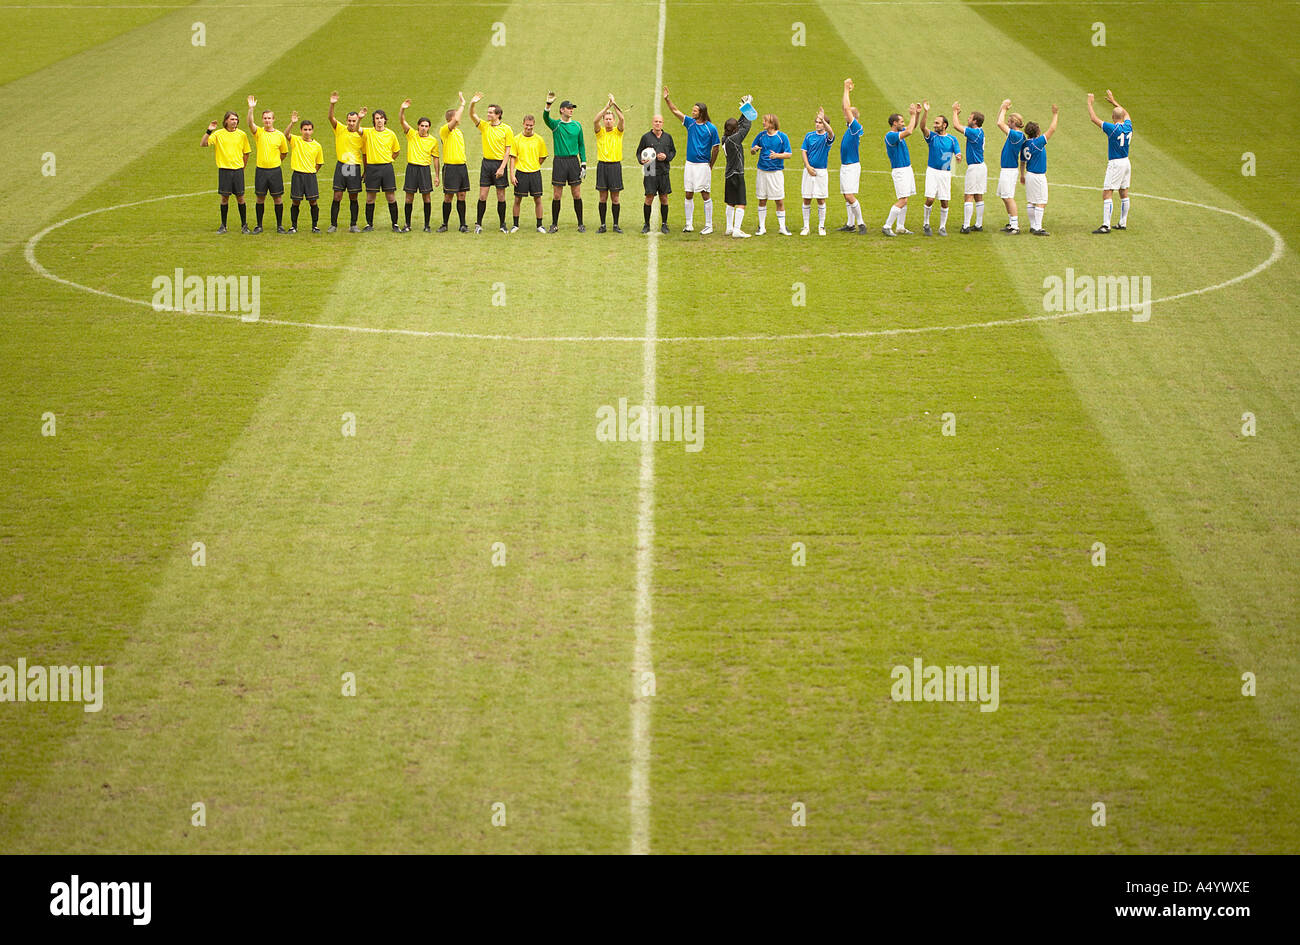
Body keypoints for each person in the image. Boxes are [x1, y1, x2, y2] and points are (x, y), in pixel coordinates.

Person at [662, 87, 720, 234]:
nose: (692, 112)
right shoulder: (690, 123)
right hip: (690, 164)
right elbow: (676, 111)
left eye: (695, 111)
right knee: (688, 193)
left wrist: (710, 165)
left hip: (702, 166)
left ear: (701, 113)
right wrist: (667, 99)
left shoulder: (711, 129)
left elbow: (716, 148)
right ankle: (689, 224)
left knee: (705, 194)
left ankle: (709, 225)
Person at [1087, 89, 1132, 233]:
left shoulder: (1112, 129)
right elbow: (1126, 114)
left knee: (1107, 192)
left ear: (1113, 117)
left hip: (1116, 163)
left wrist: (1090, 103)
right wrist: (1114, 102)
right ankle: (1122, 222)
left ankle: (1106, 225)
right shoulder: (1128, 126)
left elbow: (1094, 119)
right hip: (1126, 162)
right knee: (1123, 191)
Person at [469, 93, 513, 234]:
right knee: (482, 196)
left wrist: (502, 168)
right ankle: (478, 224)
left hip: (499, 164)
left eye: (490, 112)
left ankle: (502, 224)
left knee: (501, 196)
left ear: (498, 114)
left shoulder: (507, 129)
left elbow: (508, 151)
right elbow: (472, 115)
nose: (488, 115)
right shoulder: (484, 126)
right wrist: (473, 103)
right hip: (486, 164)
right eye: (488, 112)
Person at [200, 110, 250, 233]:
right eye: (232, 119)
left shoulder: (242, 134)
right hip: (224, 171)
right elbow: (203, 144)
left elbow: (246, 152)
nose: (234, 121)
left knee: (241, 198)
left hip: (238, 171)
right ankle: (223, 225)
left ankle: (244, 225)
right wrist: (209, 130)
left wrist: (242, 167)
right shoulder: (218, 134)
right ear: (226, 120)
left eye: (236, 119)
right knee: (224, 198)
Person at [544, 94, 587, 232]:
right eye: (569, 108)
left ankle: (580, 224)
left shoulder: (577, 125)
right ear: (562, 110)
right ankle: (554, 224)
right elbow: (545, 118)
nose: (571, 110)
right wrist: (548, 105)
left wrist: (584, 163)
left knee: (577, 193)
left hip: (573, 162)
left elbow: (581, 145)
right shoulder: (556, 125)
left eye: (572, 108)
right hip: (560, 162)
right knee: (557, 194)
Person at [919, 101, 961, 236]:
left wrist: (959, 156)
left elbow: (958, 152)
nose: (934, 125)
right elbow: (922, 126)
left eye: (937, 123)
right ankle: (926, 223)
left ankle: (942, 227)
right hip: (932, 171)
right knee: (930, 199)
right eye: (934, 123)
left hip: (945, 173)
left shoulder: (952, 139)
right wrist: (925, 112)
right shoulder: (932, 137)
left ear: (944, 125)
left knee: (944, 201)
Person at [247, 94, 288, 233]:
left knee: (278, 198)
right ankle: (259, 225)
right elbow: (249, 123)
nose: (267, 120)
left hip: (275, 171)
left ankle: (280, 225)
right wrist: (251, 109)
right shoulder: (258, 132)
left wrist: (275, 162)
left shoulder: (280, 135)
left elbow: (284, 153)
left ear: (273, 119)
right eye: (265, 118)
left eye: (269, 118)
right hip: (261, 171)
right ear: (262, 120)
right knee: (260, 198)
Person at [327, 92, 366, 232]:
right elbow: (330, 117)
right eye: (349, 120)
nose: (351, 123)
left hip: (354, 167)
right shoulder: (340, 129)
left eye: (353, 121)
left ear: (357, 121)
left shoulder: (362, 134)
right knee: (337, 195)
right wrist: (332, 104)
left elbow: (365, 154)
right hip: (342, 165)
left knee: (353, 196)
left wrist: (366, 170)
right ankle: (333, 224)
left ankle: (353, 224)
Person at [399, 99, 440, 233]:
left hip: (424, 170)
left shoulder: (433, 141)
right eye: (422, 125)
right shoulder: (412, 135)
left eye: (426, 126)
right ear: (418, 126)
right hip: (412, 169)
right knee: (409, 197)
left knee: (426, 197)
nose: (423, 128)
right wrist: (403, 109)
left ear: (429, 127)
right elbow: (402, 121)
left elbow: (435, 159)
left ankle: (427, 225)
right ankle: (407, 224)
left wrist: (437, 176)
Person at [1018, 105, 1059, 236]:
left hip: (1029, 174)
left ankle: (1032, 225)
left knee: (1031, 201)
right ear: (1037, 132)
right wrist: (1055, 114)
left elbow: (1022, 161)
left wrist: (1022, 175)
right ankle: (1038, 227)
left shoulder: (1025, 144)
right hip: (1038, 175)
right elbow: (1052, 129)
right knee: (1041, 201)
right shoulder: (1038, 142)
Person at [750, 114, 792, 235]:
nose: (763, 123)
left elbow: (789, 154)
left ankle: (782, 227)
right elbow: (752, 151)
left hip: (776, 173)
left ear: (772, 124)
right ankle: (762, 227)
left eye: (765, 121)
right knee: (762, 199)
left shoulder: (782, 137)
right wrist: (754, 150)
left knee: (779, 200)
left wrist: (777, 155)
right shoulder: (761, 135)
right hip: (762, 172)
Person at [361, 109, 402, 231]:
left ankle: (395, 224)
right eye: (377, 118)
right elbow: (357, 129)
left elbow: (397, 151)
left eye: (381, 118)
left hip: (386, 168)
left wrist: (389, 159)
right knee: (370, 197)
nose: (379, 120)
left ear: (385, 120)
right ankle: (369, 224)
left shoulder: (391, 134)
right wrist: (360, 117)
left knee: (390, 197)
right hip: (372, 168)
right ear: (374, 120)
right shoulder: (368, 132)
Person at [283, 111, 324, 233]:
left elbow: (319, 163)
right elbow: (286, 134)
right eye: (305, 129)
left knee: (313, 201)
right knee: (296, 201)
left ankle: (314, 226)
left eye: (309, 129)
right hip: (297, 175)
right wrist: (292, 123)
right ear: (301, 130)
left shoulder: (317, 146)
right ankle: (293, 226)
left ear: (312, 131)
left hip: (310, 176)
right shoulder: (296, 140)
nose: (307, 132)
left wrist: (312, 172)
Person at [882, 104, 919, 236]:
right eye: (901, 122)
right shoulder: (891, 136)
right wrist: (913, 115)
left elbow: (912, 127)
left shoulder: (898, 133)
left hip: (907, 169)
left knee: (905, 199)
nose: (904, 124)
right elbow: (909, 131)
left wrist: (917, 114)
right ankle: (887, 226)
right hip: (900, 171)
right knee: (902, 200)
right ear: (895, 123)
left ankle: (900, 227)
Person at [951, 102, 986, 233]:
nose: (968, 119)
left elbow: (956, 126)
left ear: (975, 121)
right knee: (978, 195)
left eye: (970, 118)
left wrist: (954, 112)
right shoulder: (979, 131)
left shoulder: (973, 133)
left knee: (969, 195)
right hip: (981, 166)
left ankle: (966, 226)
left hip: (975, 168)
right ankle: (978, 224)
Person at [509, 114, 549, 233]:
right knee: (517, 199)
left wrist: (534, 165)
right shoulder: (516, 139)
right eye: (527, 125)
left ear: (534, 125)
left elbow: (543, 156)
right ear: (523, 124)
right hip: (520, 173)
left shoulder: (539, 139)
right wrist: (512, 174)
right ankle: (515, 225)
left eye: (531, 125)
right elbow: (512, 157)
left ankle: (539, 225)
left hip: (535, 173)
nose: (529, 127)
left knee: (538, 199)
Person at [637, 114, 676, 234]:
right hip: (650, 170)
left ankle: (664, 224)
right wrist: (641, 160)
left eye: (660, 121)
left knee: (664, 198)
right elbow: (639, 153)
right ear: (652, 123)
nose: (657, 123)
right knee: (649, 198)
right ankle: (646, 224)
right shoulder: (646, 137)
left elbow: (673, 151)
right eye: (656, 122)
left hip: (663, 171)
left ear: (662, 123)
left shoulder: (668, 137)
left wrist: (666, 157)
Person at [799, 107, 835, 236]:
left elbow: (831, 133)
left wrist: (823, 118)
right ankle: (806, 226)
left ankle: (821, 226)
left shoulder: (827, 137)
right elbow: (804, 151)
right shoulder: (809, 136)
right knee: (806, 198)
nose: (817, 124)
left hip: (821, 172)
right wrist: (807, 166)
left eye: (820, 122)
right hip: (808, 171)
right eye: (817, 122)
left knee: (820, 199)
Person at [593, 95, 626, 233]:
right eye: (606, 119)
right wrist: (607, 107)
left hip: (614, 167)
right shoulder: (600, 133)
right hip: (602, 166)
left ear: (613, 121)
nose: (607, 121)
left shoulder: (618, 133)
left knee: (615, 197)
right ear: (603, 121)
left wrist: (614, 104)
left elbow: (622, 118)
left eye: (610, 119)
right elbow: (595, 120)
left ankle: (616, 225)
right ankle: (603, 225)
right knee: (602, 197)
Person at [438, 93, 470, 232]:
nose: (459, 118)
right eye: (457, 116)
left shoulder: (459, 132)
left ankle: (463, 224)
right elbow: (457, 118)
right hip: (450, 168)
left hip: (461, 167)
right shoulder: (445, 130)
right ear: (451, 118)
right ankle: (444, 224)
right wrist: (462, 103)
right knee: (448, 196)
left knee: (462, 195)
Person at [721, 99, 752, 238]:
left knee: (730, 202)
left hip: (728, 174)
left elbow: (738, 125)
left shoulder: (725, 138)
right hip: (737, 173)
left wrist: (743, 110)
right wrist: (748, 108)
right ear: (734, 130)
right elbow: (746, 127)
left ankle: (729, 228)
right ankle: (737, 230)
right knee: (741, 202)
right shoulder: (735, 139)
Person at [839, 79, 866, 233]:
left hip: (851, 166)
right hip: (846, 166)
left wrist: (846, 89)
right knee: (846, 195)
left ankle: (861, 223)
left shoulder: (855, 127)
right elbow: (846, 108)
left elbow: (846, 107)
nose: (844, 114)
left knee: (850, 195)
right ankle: (850, 224)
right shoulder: (850, 128)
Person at [995, 99, 1026, 234]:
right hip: (1007, 169)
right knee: (1004, 196)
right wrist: (1002, 108)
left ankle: (1015, 226)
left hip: (1009, 170)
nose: (1007, 122)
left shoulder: (1016, 135)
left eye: (1009, 121)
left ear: (1014, 123)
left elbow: (999, 123)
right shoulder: (1017, 135)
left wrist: (1004, 109)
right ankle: (1011, 223)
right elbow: (999, 121)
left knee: (1008, 196)